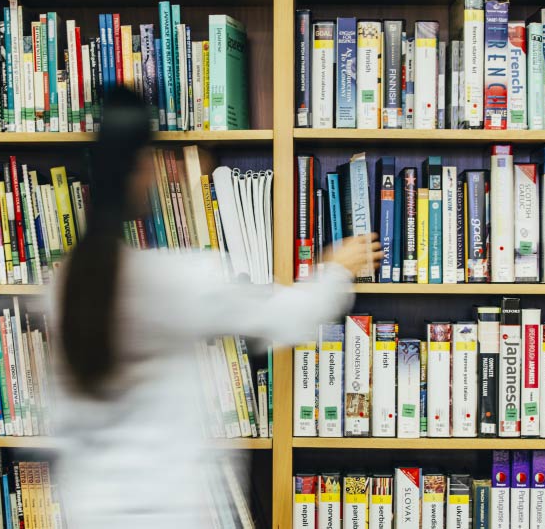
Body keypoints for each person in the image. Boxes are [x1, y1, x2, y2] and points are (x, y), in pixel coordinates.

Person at [50, 87, 382, 528]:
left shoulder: (64, 283)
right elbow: (285, 317)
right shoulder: (170, 280)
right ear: (140, 170)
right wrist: (335, 268)